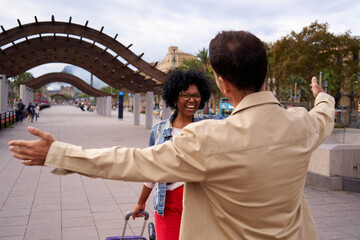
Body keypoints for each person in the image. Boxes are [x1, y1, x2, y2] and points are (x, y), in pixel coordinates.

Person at [8, 31, 335, 239]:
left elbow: (134, 162)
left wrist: (59, 153)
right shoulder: (303, 125)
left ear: (221, 83)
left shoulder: (209, 138)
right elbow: (325, 115)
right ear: (264, 72)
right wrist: (320, 93)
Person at [132, 69, 212, 240]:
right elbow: (152, 170)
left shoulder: (207, 129)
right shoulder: (158, 131)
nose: (192, 100)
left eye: (196, 96)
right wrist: (141, 202)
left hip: (200, 202)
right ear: (175, 98)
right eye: (185, 95)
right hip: (167, 205)